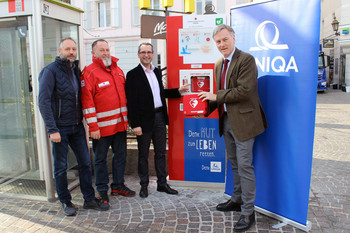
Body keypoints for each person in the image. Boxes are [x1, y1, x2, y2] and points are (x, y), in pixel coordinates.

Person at [198, 24, 267, 232]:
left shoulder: (246, 59)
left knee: (245, 166)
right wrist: (204, 103)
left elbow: (245, 91)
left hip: (244, 122)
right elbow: (221, 93)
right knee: (234, 163)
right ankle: (236, 199)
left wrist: (215, 97)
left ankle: (248, 212)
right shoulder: (219, 63)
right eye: (218, 41)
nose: (221, 44)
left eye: (225, 39)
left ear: (233, 38)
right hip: (226, 119)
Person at [38, 38, 108, 216]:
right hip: (59, 128)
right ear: (59, 50)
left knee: (85, 163)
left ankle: (89, 199)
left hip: (77, 126)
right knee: (60, 167)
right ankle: (65, 201)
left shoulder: (75, 70)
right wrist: (52, 129)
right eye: (67, 49)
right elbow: (43, 102)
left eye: (74, 49)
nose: (71, 52)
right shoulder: (50, 71)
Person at [125, 42, 189, 198]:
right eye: (143, 52)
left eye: (149, 52)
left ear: (153, 54)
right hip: (143, 121)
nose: (146, 55)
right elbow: (131, 102)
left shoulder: (158, 72)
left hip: (160, 117)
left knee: (161, 153)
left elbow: (160, 93)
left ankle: (162, 184)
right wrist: (135, 124)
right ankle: (144, 185)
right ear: (138, 54)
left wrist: (177, 92)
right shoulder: (133, 74)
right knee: (143, 154)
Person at [80, 39, 135, 208]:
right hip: (101, 129)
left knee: (120, 156)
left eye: (107, 49)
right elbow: (87, 102)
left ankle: (118, 185)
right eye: (102, 50)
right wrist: (93, 127)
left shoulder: (117, 70)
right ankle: (102, 190)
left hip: (119, 125)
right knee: (100, 159)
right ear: (94, 53)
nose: (106, 53)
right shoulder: (89, 72)